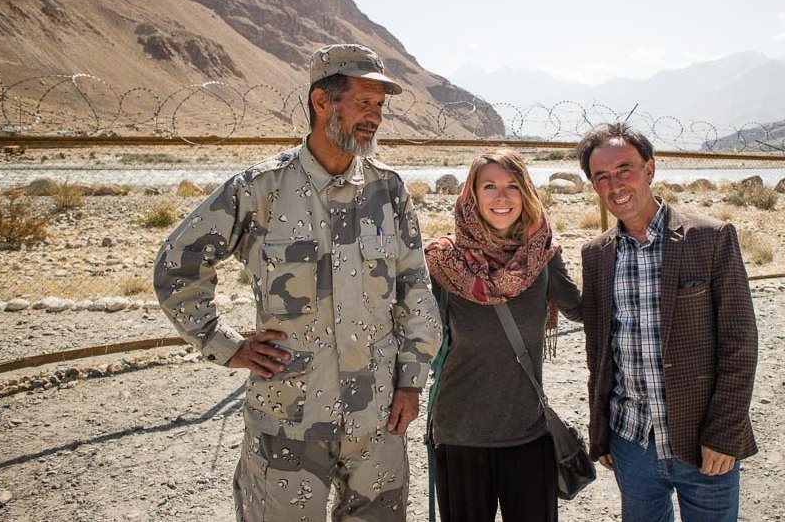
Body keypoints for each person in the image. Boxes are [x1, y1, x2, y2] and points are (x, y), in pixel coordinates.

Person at [153, 43, 442, 521]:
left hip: (376, 422)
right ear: (321, 102)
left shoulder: (388, 190)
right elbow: (177, 264)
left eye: (380, 105)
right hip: (287, 419)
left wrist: (410, 383)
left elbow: (415, 290)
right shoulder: (260, 188)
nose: (375, 116)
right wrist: (225, 345)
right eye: (364, 102)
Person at [575, 123, 758, 522]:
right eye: (601, 177)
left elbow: (740, 344)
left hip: (702, 441)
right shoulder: (596, 254)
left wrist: (724, 434)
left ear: (650, 169)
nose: (615, 185)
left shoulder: (710, 238)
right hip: (631, 441)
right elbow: (599, 353)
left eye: (624, 169)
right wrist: (601, 432)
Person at [424, 149, 582, 522]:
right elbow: (413, 333)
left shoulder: (543, 257)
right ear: (472, 194)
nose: (502, 197)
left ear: (526, 192)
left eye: (513, 185)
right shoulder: (444, 261)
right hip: (460, 435)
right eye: (489, 186)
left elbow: (583, 311)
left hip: (528, 435)